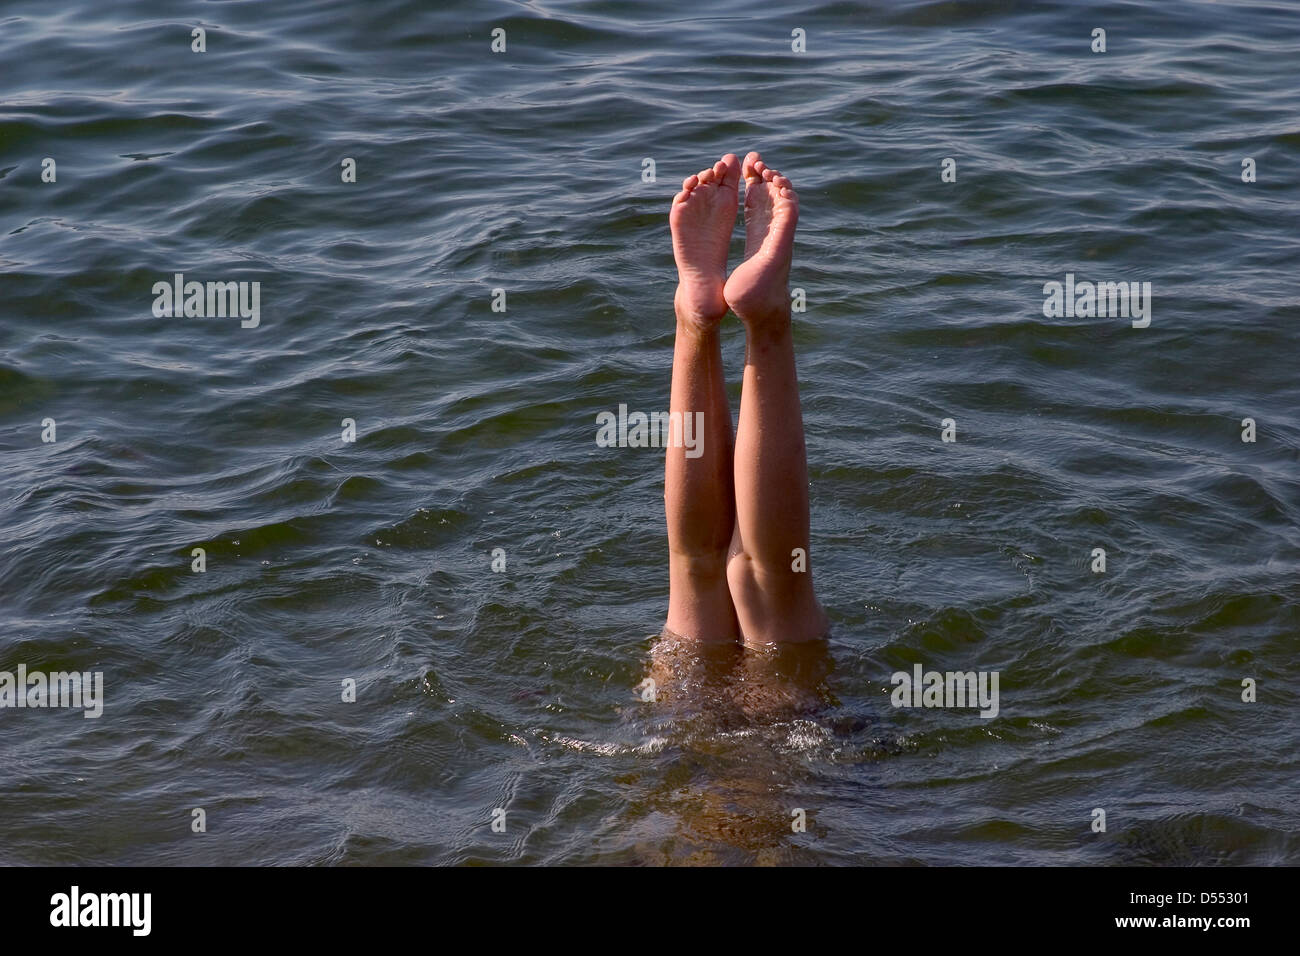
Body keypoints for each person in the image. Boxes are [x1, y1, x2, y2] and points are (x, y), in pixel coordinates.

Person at [664, 152, 828, 645]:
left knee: (695, 566)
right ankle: (767, 316)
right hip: (790, 717)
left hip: (677, 713)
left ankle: (693, 322)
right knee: (770, 579)